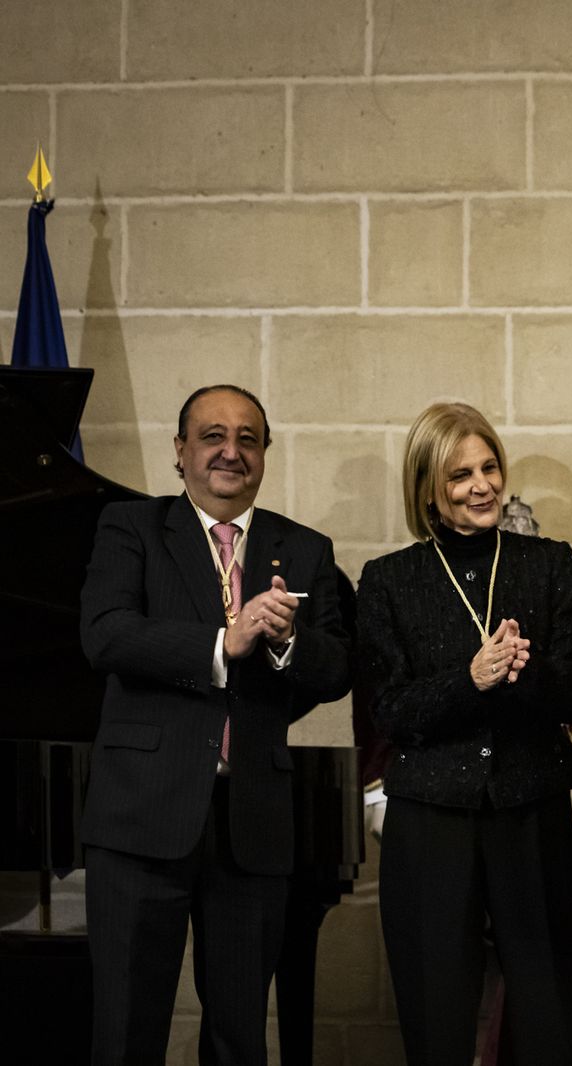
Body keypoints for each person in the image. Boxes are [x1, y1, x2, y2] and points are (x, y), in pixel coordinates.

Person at [79, 384, 351, 1066]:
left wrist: (288, 644)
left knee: (239, 1038)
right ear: (180, 452)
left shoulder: (306, 548)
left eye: (248, 439)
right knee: (126, 1029)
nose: (232, 451)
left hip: (251, 827)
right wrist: (220, 644)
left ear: (264, 454)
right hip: (142, 817)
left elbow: (340, 665)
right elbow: (106, 635)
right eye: (212, 436)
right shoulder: (131, 527)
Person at [356, 402, 572, 1066]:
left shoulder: (549, 564)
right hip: (431, 822)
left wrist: (529, 669)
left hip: (532, 813)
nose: (482, 485)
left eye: (489, 466)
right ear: (429, 490)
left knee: (550, 1014)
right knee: (437, 1019)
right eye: (461, 475)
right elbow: (390, 711)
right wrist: (471, 678)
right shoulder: (387, 581)